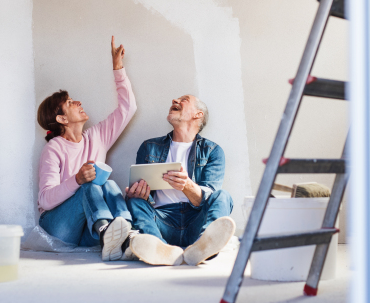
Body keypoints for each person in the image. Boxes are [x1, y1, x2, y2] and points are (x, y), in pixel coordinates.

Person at [36, 36, 136, 261]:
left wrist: (118, 68)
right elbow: (45, 200)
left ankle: (126, 236)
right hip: (59, 229)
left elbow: (128, 108)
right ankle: (107, 233)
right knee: (88, 186)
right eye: (70, 103)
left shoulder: (97, 137)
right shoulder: (54, 149)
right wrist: (77, 180)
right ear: (61, 118)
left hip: (86, 234)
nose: (78, 102)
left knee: (109, 184)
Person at [123, 94, 235, 266]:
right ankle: (161, 249)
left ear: (198, 115)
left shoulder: (213, 151)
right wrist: (139, 194)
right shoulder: (149, 146)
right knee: (134, 202)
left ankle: (203, 246)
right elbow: (144, 199)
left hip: (195, 220)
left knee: (223, 196)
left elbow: (207, 198)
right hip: (161, 220)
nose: (174, 101)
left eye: (183, 100)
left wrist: (187, 186)